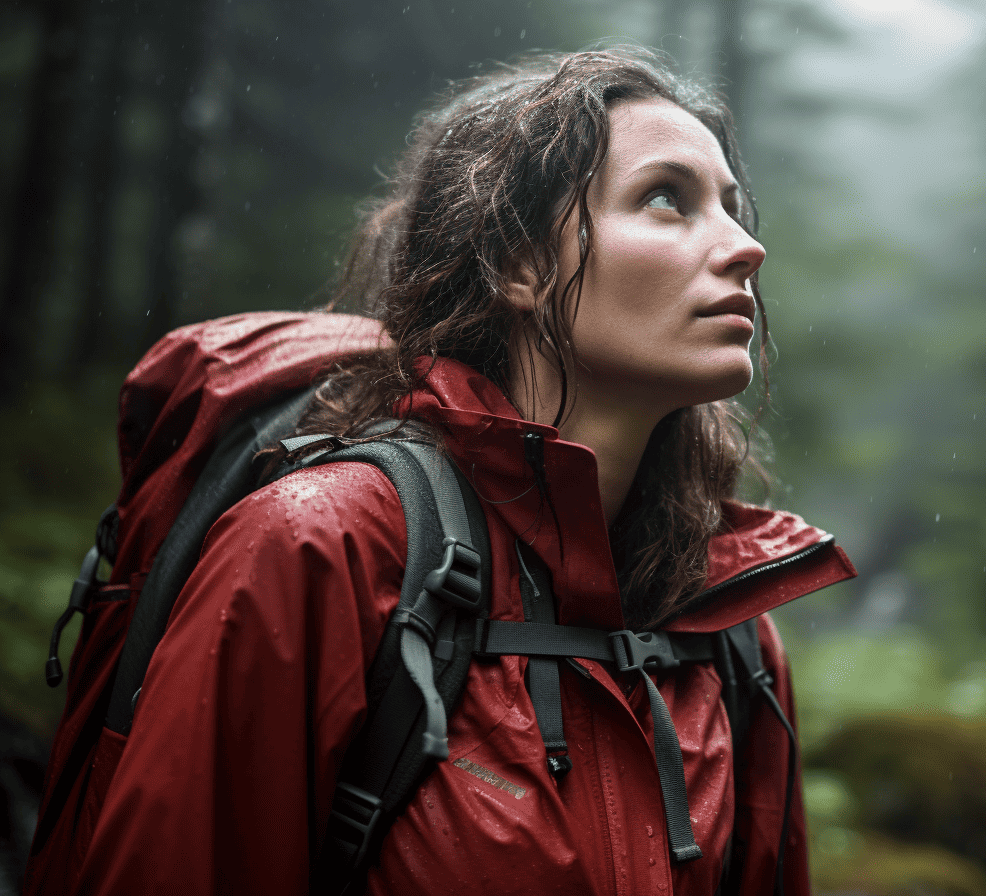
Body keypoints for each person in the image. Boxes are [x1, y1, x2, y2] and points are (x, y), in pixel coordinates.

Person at [69, 47, 854, 895]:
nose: (745, 249)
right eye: (667, 199)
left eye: (734, 209)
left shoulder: (729, 621)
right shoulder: (320, 550)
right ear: (519, 265)